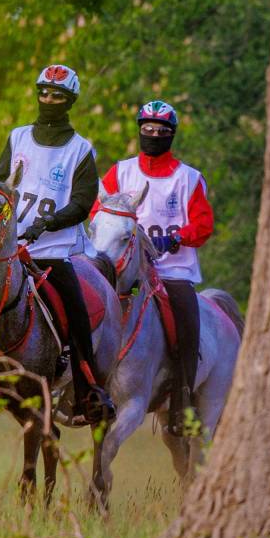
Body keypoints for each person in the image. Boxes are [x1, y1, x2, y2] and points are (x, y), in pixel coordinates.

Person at [0, 64, 115, 428]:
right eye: (44, 93)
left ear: (69, 101)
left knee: (76, 314)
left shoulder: (80, 150)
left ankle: (88, 388)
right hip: (10, 249)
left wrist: (47, 224)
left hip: (54, 253)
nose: (48, 100)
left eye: (57, 96)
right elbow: (0, 183)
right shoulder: (17, 138)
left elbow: (81, 203)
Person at [95, 99, 213, 432]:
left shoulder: (189, 178)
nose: (154, 135)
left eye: (161, 131)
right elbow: (97, 211)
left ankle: (183, 403)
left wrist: (175, 238)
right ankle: (80, 386)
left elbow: (203, 225)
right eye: (147, 129)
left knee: (188, 326)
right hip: (121, 267)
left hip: (172, 271)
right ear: (139, 131)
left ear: (171, 135)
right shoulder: (120, 171)